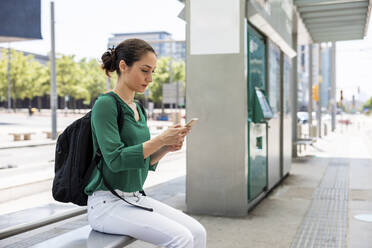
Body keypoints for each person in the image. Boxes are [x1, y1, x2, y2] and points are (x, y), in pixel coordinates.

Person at [84, 38, 207, 248]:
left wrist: (166, 147)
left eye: (153, 72)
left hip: (134, 198)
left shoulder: (138, 108)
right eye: (144, 70)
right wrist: (160, 139)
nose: (150, 78)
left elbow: (144, 160)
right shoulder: (106, 104)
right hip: (107, 204)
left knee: (197, 232)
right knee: (181, 238)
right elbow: (115, 160)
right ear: (123, 66)